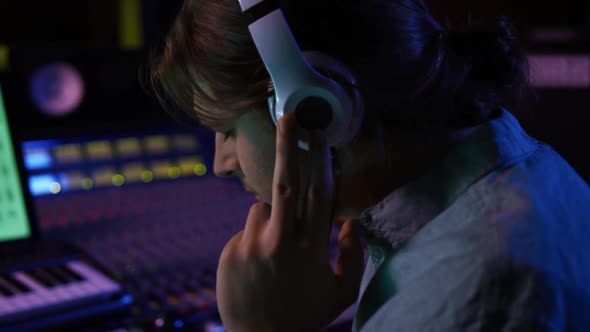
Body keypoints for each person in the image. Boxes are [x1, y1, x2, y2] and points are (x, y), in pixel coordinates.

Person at [147, 0, 590, 330]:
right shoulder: (521, 171)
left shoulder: (466, 293)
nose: (221, 164)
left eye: (226, 128)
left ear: (318, 108)